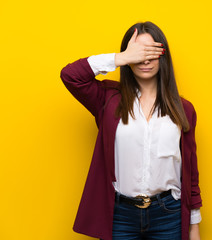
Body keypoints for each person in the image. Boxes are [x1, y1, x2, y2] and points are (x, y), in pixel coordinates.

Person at [60, 21, 202, 240]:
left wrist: (194, 226)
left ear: (163, 56)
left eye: (151, 52)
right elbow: (71, 76)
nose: (144, 59)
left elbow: (190, 172)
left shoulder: (183, 109)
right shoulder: (107, 100)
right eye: (138, 52)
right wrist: (120, 58)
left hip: (168, 214)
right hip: (120, 216)